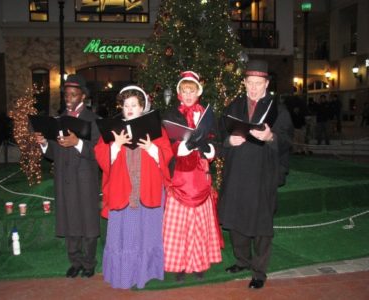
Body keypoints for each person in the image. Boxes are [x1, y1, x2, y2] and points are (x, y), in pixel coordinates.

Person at [218, 60, 293, 289]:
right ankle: (242, 260)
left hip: (262, 173)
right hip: (237, 173)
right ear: (244, 82)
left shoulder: (277, 109)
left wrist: (270, 138)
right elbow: (221, 134)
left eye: (258, 83)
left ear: (266, 84)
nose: (253, 88)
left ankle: (259, 271)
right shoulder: (234, 106)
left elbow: (288, 140)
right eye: (249, 83)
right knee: (236, 218)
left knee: (261, 224)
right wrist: (228, 141)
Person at [94, 86, 173, 289]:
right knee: (125, 234)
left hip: (149, 190)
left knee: (148, 233)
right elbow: (101, 157)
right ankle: (124, 273)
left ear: (142, 106)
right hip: (123, 191)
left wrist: (151, 148)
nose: (129, 109)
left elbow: (166, 155)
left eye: (134, 105)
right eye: (126, 105)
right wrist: (116, 145)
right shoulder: (112, 130)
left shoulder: (156, 129)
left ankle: (147, 272)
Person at [34, 74, 101, 279]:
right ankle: (75, 261)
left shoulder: (94, 120)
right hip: (65, 178)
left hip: (86, 179)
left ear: (83, 96)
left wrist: (78, 143)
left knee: (88, 223)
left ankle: (89, 263)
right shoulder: (58, 120)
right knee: (70, 221)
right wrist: (44, 142)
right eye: (66, 94)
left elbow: (100, 154)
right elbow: (53, 153)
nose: (69, 98)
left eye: (74, 94)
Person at [162, 71, 222, 282]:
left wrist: (208, 148)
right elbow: (166, 143)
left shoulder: (206, 114)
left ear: (198, 91)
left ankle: (198, 263)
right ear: (179, 92)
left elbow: (216, 139)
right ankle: (179, 264)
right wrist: (183, 147)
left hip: (200, 174)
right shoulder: (171, 114)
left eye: (192, 90)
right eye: (184, 90)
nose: (188, 95)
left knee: (198, 224)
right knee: (180, 226)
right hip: (180, 176)